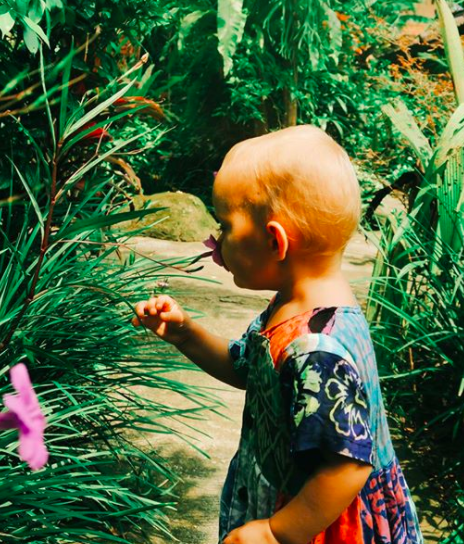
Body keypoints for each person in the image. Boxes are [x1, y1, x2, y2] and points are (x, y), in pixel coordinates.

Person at [133, 125, 423, 544]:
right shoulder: (294, 305)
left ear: (275, 241)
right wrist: (186, 334)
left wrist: (274, 532)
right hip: (295, 502)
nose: (216, 240)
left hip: (318, 522)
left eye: (226, 226)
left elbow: (346, 467)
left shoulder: (317, 348)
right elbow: (251, 369)